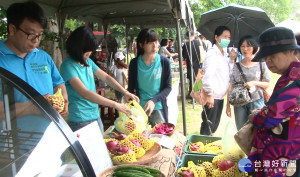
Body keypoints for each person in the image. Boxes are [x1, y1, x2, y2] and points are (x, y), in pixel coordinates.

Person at [0, 1, 68, 132]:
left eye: (40, 34)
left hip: (48, 137)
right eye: (31, 34)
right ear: (12, 29)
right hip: (12, 147)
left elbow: (58, 82)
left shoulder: (43, 57)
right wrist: (32, 107)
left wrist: (63, 98)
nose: (36, 40)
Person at [60, 26, 139, 132]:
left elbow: (106, 77)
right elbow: (85, 93)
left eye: (90, 52)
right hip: (80, 120)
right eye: (86, 52)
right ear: (77, 48)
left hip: (95, 116)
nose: (89, 54)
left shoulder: (87, 62)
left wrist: (125, 92)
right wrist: (115, 104)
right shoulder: (68, 66)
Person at [248, 27, 300, 177]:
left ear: (291, 51)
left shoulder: (295, 79)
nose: (268, 61)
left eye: (272, 55)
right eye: (265, 57)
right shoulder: (288, 76)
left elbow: (271, 116)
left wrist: (256, 115)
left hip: (285, 156)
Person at [128, 28, 172, 127]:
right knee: (141, 139)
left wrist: (153, 100)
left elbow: (168, 87)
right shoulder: (134, 64)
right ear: (141, 45)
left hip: (158, 107)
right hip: (140, 110)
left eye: (156, 42)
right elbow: (130, 89)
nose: (154, 45)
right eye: (150, 42)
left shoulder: (164, 62)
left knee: (160, 139)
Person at [226, 36, 271, 130]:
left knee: (257, 129)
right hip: (239, 103)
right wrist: (228, 106)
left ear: (254, 47)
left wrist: (254, 83)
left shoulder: (261, 64)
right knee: (241, 129)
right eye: (242, 46)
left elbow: (267, 83)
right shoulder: (236, 65)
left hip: (256, 101)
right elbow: (231, 85)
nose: (245, 49)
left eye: (248, 46)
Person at [200, 26, 233, 135]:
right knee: (207, 128)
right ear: (216, 37)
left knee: (213, 127)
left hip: (219, 97)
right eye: (224, 37)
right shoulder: (213, 53)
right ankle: (201, 150)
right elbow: (208, 76)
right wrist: (210, 94)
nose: (227, 40)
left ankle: (207, 148)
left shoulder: (223, 54)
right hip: (213, 97)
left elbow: (227, 75)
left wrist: (232, 60)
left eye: (229, 37)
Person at [182, 31, 202, 98]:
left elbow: (184, 55)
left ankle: (193, 94)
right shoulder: (199, 42)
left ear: (187, 36)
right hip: (199, 63)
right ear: (194, 35)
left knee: (192, 79)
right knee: (198, 79)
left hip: (190, 64)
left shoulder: (186, 44)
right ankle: (197, 94)